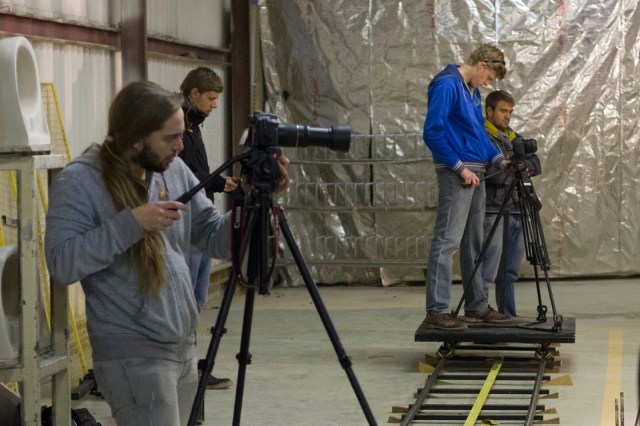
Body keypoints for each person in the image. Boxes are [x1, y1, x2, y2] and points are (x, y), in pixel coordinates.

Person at [44, 80, 289, 426]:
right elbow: (62, 263)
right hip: (133, 355)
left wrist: (253, 203)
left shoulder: (171, 170)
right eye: (170, 137)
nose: (180, 146)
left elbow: (212, 235)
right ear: (136, 138)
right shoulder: (79, 182)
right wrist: (131, 224)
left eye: (181, 134)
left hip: (182, 347)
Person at [423, 43, 512, 329]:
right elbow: (432, 133)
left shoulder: (472, 92)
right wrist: (459, 167)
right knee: (447, 241)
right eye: (488, 77)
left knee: (474, 242)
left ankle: (477, 305)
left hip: (477, 173)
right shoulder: (447, 85)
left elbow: (479, 136)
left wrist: (500, 161)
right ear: (481, 65)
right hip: (457, 174)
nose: (487, 83)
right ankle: (437, 310)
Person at [179, 67, 237, 390]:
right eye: (211, 99)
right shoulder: (178, 125)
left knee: (198, 298)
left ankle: (190, 364)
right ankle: (182, 368)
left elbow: (196, 171)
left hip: (201, 218)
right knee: (186, 300)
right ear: (194, 94)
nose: (214, 105)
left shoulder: (194, 125)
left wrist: (216, 182)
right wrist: (213, 182)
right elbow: (182, 173)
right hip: (187, 224)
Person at [481, 90, 541, 317]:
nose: (507, 116)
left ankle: (507, 316)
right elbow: (494, 175)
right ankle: (479, 312)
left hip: (517, 210)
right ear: (489, 111)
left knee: (509, 272)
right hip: (492, 211)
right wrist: (516, 169)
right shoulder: (482, 137)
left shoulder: (516, 138)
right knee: (487, 270)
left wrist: (518, 168)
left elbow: (535, 164)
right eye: (502, 111)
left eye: (510, 112)